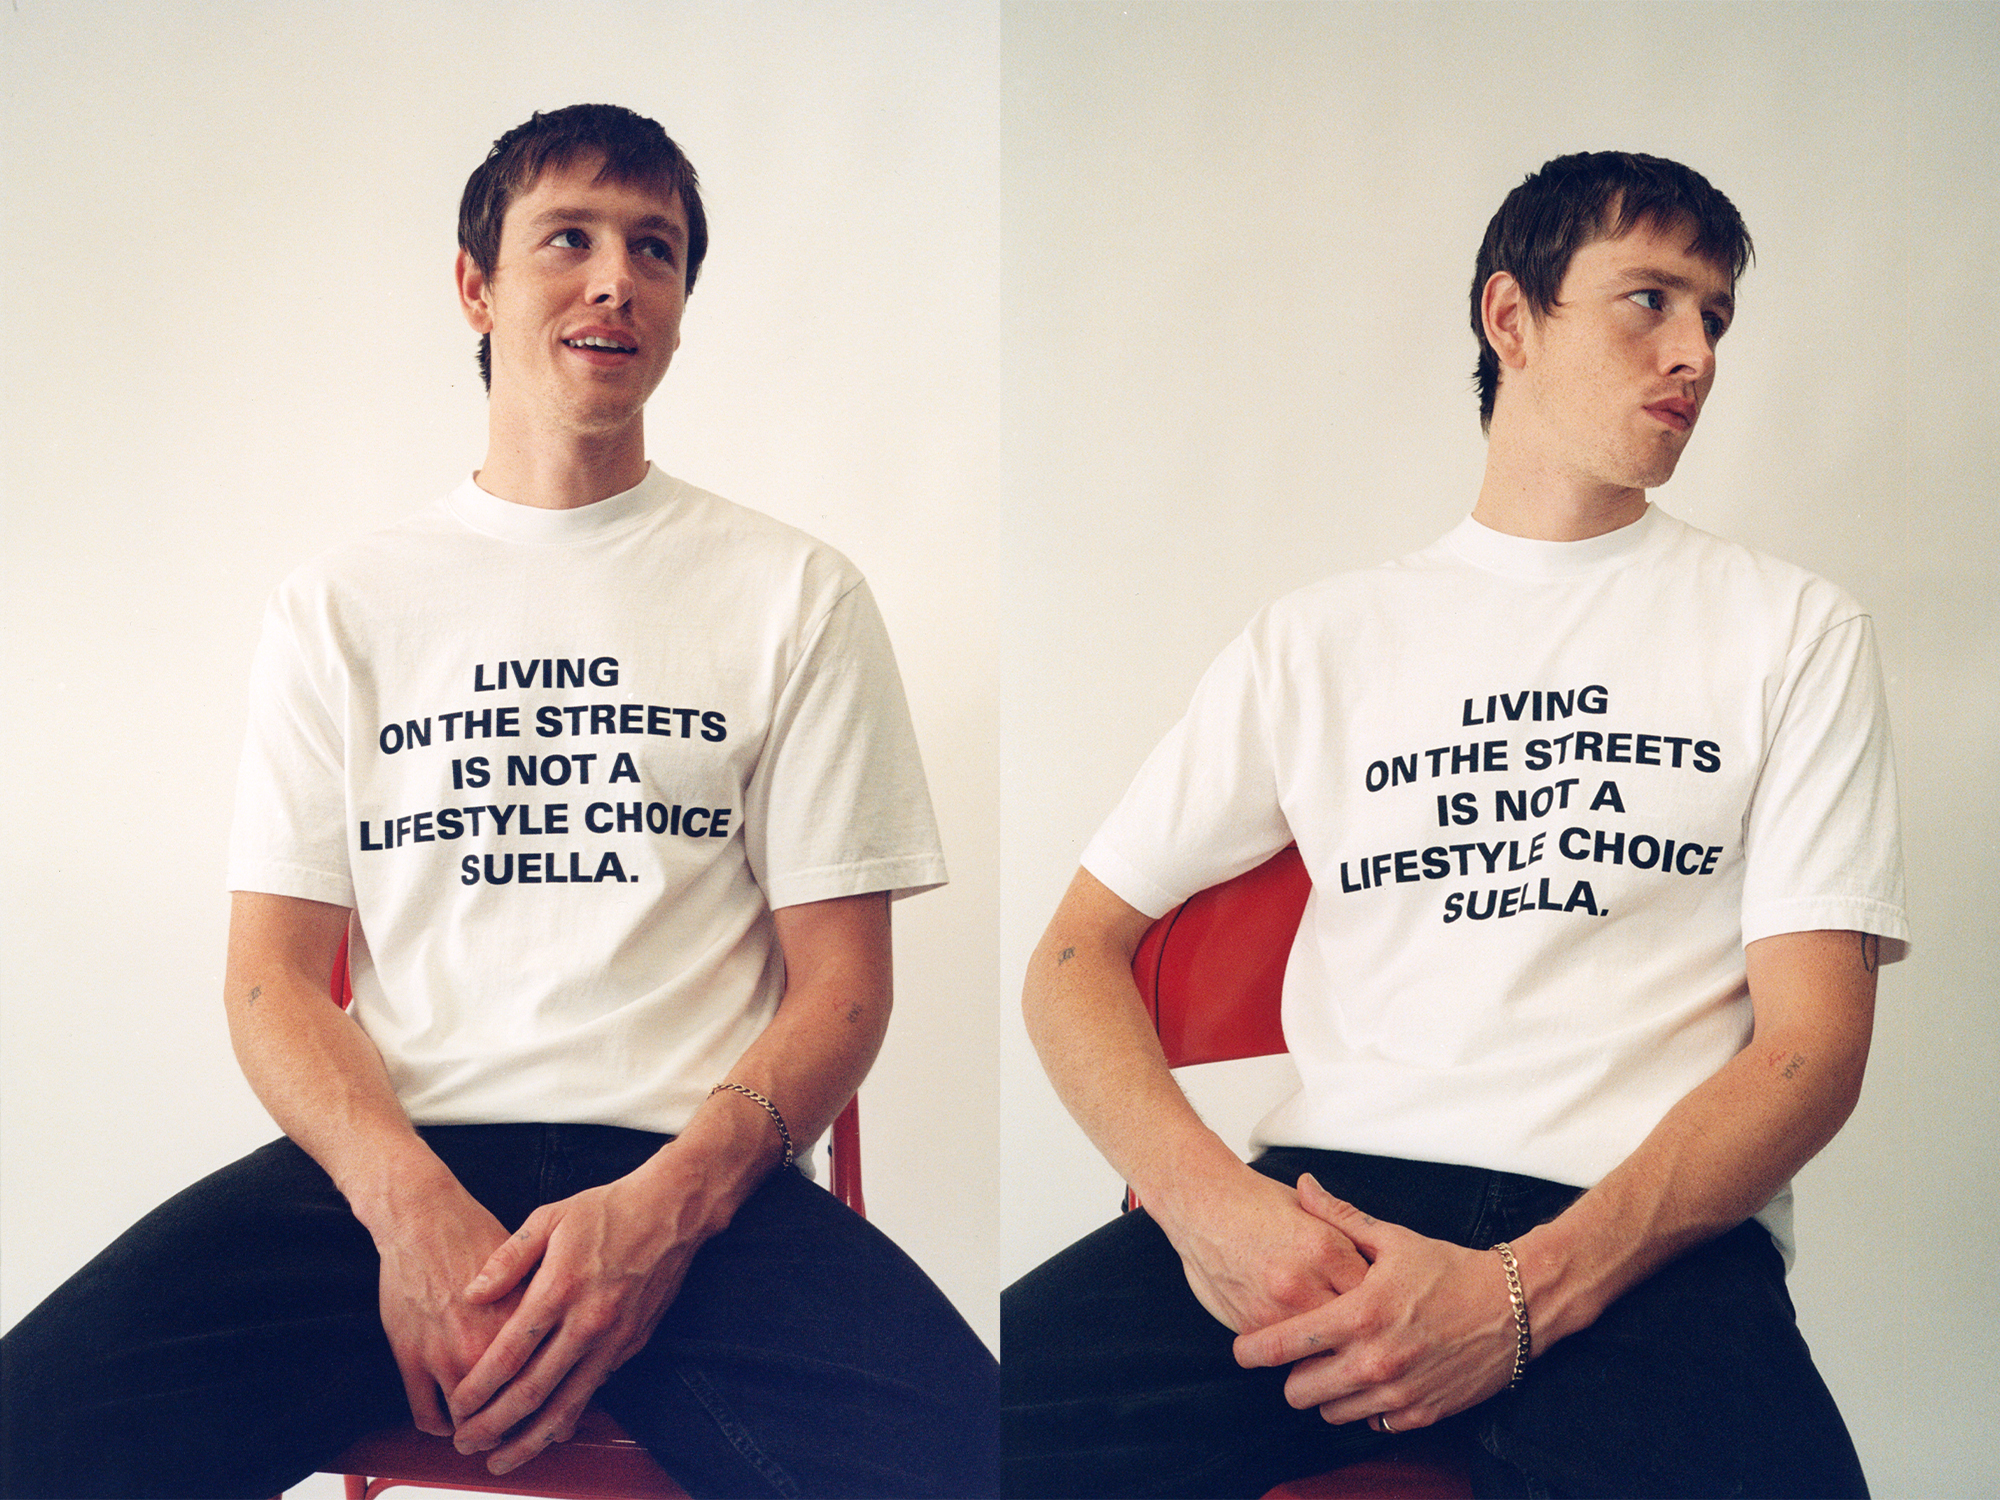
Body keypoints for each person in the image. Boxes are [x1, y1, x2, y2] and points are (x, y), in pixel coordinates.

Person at [1, 103, 996, 1500]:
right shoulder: (342, 604)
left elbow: (842, 989)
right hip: (393, 1174)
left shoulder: (796, 593)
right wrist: (407, 1213)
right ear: (476, 285)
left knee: (979, 1463)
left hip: (691, 1185)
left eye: (655, 249)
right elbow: (270, 980)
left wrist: (664, 1218)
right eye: (569, 238)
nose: (617, 280)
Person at [1003, 151, 1906, 1499]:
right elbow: (1075, 954)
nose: (1697, 354)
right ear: (1511, 317)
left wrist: (1520, 1298)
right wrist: (1211, 1209)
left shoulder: (1792, 630)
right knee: (946, 1440)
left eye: (1715, 316)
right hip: (1329, 1209)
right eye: (1650, 300)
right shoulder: (1319, 640)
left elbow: (1811, 1052)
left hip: (1643, 1240)